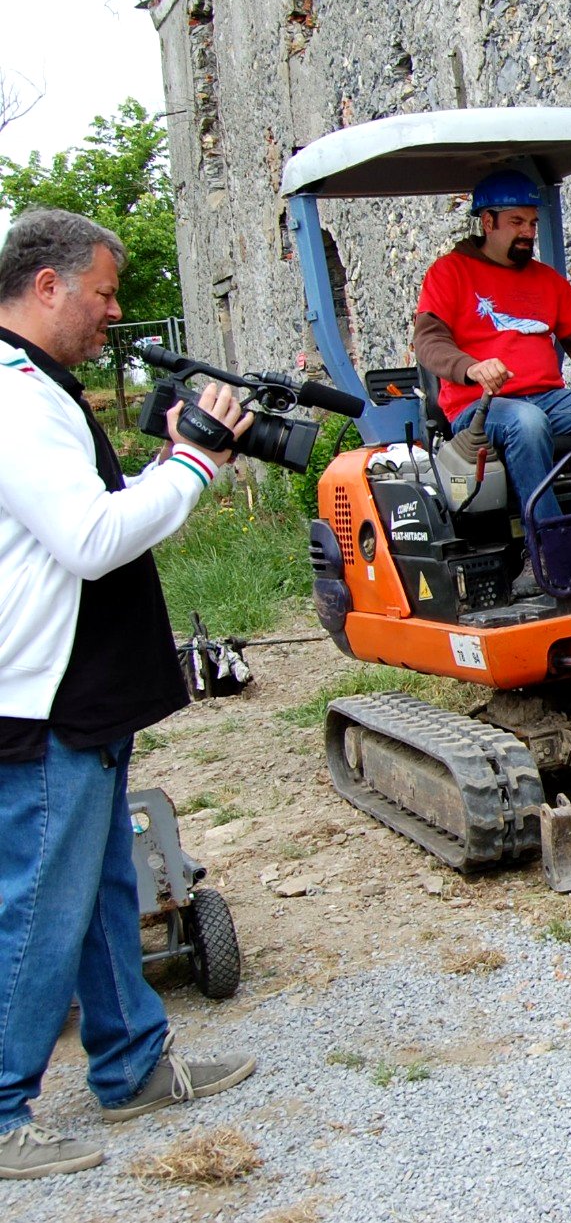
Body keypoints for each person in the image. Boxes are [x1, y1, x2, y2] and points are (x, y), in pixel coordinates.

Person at [0, 210, 259, 1179]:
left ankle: (130, 1062)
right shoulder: (15, 398)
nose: (115, 311)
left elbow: (92, 516)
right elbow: (90, 540)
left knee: (108, 886)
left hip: (86, 692)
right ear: (49, 285)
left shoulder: (42, 389)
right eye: (104, 292)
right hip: (45, 700)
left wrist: (172, 464)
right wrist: (193, 465)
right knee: (38, 905)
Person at [411, 170, 571, 520]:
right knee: (527, 422)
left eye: (532, 223)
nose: (528, 232)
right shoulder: (449, 272)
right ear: (487, 222)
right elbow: (428, 340)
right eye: (517, 222)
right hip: (481, 406)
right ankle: (549, 535)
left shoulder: (546, 279)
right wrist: (471, 368)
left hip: (547, 400)